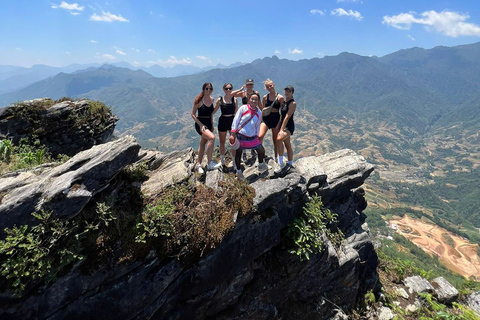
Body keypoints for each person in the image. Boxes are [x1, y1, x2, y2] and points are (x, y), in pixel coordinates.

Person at [229, 94, 268, 180]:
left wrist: (257, 135)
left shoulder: (258, 112)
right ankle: (239, 172)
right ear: (249, 100)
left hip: (252, 137)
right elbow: (236, 120)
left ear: (258, 101)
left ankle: (260, 165)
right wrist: (233, 133)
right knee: (238, 153)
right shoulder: (243, 108)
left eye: (256, 99)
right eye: (252, 99)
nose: (254, 101)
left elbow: (258, 125)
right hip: (240, 135)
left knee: (261, 150)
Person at [191, 82, 221, 174]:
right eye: (206, 89)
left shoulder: (211, 99)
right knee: (212, 138)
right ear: (203, 89)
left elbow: (211, 113)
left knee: (202, 144)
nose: (208, 90)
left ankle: (198, 164)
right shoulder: (199, 101)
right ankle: (209, 163)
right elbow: (193, 114)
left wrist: (217, 105)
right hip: (201, 124)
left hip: (208, 123)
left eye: (210, 89)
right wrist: (200, 125)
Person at [231, 78, 263, 162]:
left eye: (251, 84)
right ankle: (244, 154)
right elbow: (231, 94)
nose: (249, 86)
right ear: (246, 85)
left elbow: (260, 105)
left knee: (253, 133)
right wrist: (241, 88)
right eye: (248, 84)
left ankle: (253, 151)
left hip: (253, 115)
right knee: (243, 136)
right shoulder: (243, 93)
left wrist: (262, 115)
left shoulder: (256, 94)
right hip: (244, 115)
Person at [213, 83, 238, 169]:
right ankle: (222, 160)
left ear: (232, 89)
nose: (228, 90)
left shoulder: (234, 99)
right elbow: (214, 111)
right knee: (222, 142)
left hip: (232, 121)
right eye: (226, 89)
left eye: (230, 88)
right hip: (223, 120)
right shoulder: (220, 100)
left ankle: (234, 162)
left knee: (233, 142)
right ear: (223, 90)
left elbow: (236, 112)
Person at [259, 79, 284, 164]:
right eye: (267, 86)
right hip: (266, 118)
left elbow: (282, 111)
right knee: (259, 136)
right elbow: (263, 109)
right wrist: (260, 120)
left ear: (273, 85)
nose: (269, 87)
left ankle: (276, 157)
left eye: (270, 85)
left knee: (275, 139)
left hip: (275, 118)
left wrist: (280, 123)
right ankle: (260, 156)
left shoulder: (280, 97)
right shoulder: (265, 97)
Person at [275, 85, 296, 174]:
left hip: (288, 126)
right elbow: (282, 116)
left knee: (279, 139)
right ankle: (290, 163)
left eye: (289, 91)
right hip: (282, 125)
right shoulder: (284, 101)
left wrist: (281, 130)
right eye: (286, 91)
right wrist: (278, 126)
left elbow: (287, 117)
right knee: (287, 144)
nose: (287, 92)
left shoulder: (292, 103)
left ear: (292, 93)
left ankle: (281, 163)